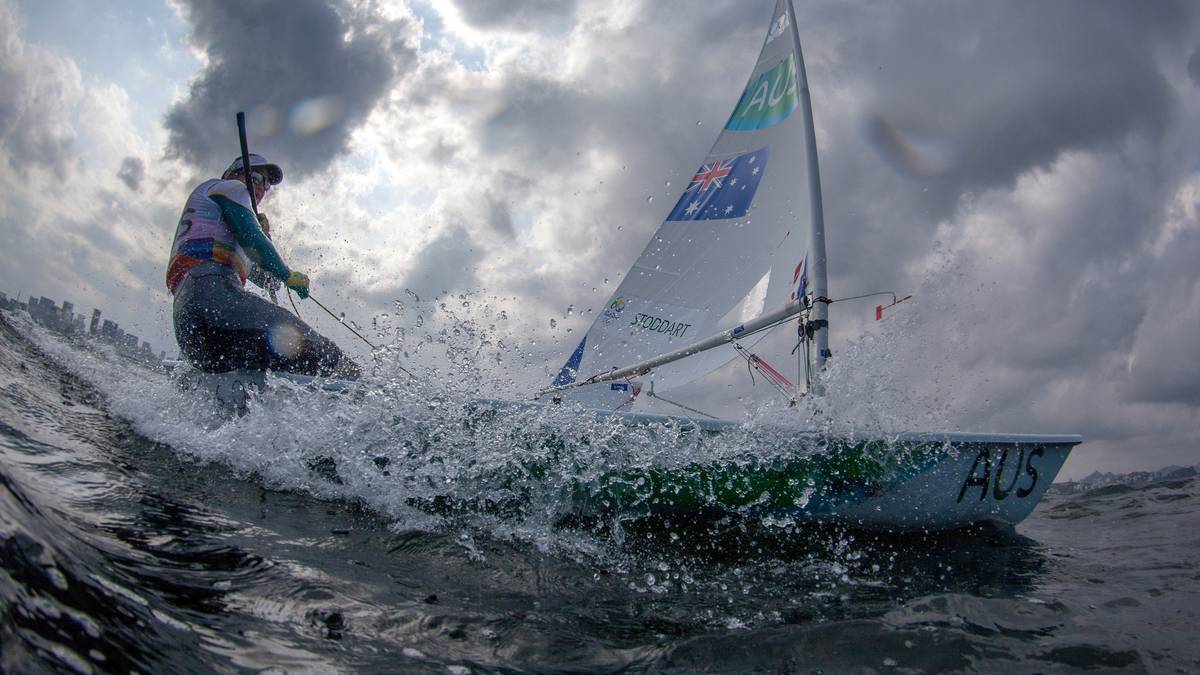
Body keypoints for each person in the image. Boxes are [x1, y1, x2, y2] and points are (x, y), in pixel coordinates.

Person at [166, 154, 360, 379]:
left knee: (289, 364)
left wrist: (266, 237)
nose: (260, 187)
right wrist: (288, 273)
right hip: (213, 299)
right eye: (256, 177)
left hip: (191, 327)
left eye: (266, 184)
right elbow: (253, 241)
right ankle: (356, 385)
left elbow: (270, 282)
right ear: (232, 174)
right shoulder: (229, 188)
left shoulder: (224, 227)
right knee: (328, 357)